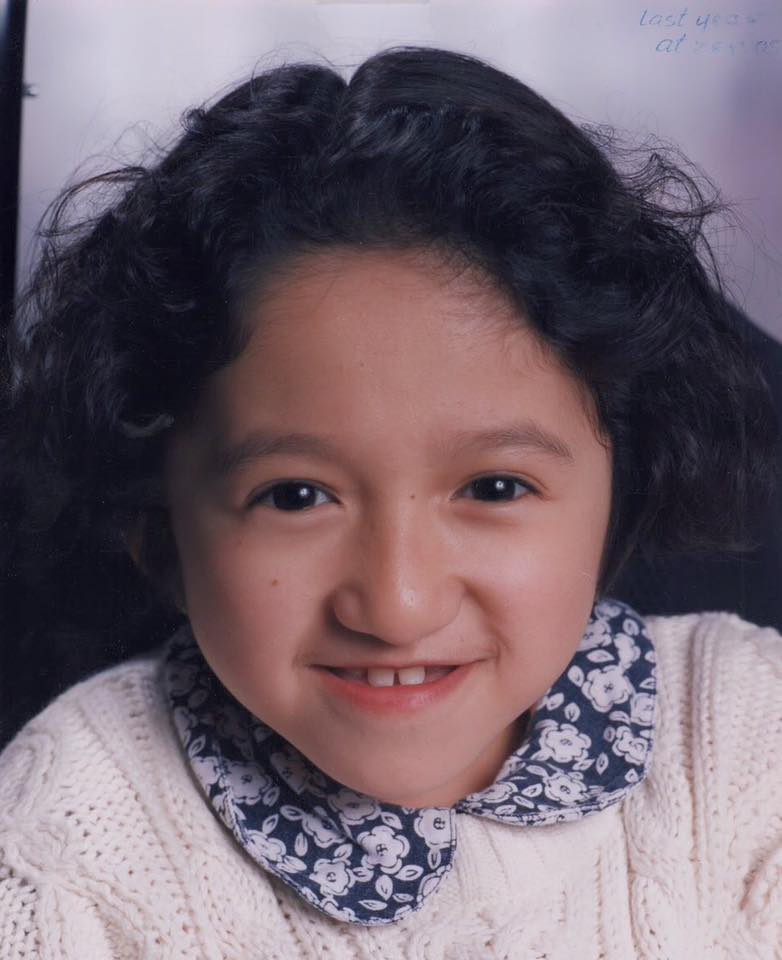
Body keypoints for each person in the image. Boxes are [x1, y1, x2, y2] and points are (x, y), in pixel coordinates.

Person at [0, 45, 780, 958]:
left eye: (495, 487)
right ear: (156, 526)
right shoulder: (67, 841)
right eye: (295, 496)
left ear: (624, 484)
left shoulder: (744, 731)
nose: (399, 603)